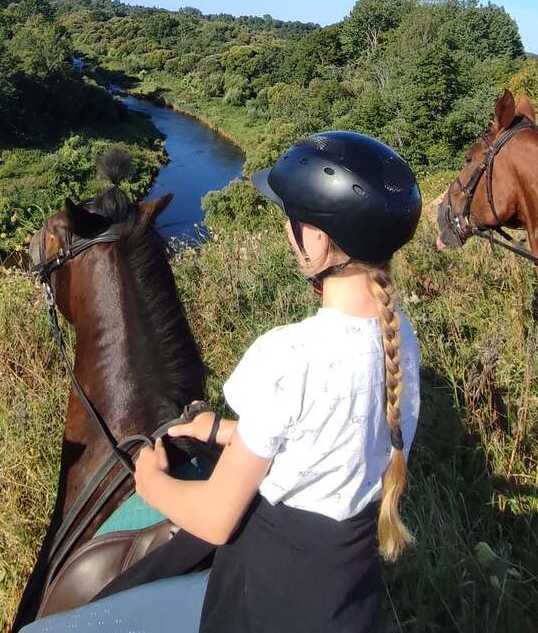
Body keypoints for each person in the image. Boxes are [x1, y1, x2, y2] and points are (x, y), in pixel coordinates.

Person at [21, 131, 422, 632]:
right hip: (345, 595)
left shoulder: (290, 353)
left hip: (264, 599)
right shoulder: (397, 334)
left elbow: (215, 518)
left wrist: (151, 478)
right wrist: (224, 431)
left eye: (290, 218)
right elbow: (330, 441)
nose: (286, 228)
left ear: (316, 239)